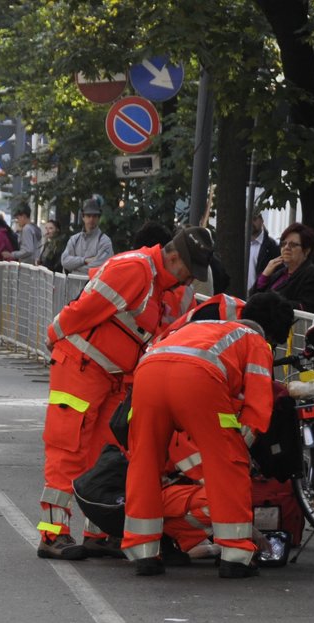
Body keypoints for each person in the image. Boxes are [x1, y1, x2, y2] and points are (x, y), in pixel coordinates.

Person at [35, 226, 216, 560]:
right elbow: (84, 309)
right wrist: (53, 334)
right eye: (188, 273)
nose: (189, 281)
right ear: (173, 257)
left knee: (106, 455)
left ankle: (98, 532)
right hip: (80, 365)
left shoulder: (165, 286)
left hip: (114, 376)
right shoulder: (134, 269)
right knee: (69, 447)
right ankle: (52, 534)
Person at [122, 293, 294, 578]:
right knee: (228, 465)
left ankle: (144, 553)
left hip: (148, 374)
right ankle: (237, 556)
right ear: (273, 336)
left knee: (144, 463)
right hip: (197, 379)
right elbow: (257, 406)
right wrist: (241, 447)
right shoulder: (255, 342)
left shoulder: (201, 326)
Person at [252, 222, 314, 312]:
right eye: (283, 244)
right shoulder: (280, 273)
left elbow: (307, 308)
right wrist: (265, 275)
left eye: (293, 245)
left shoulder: (313, 275)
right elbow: (253, 298)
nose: (286, 248)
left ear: (306, 251)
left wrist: (270, 301)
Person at [61, 199, 113, 274]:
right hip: (74, 285)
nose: (91, 219)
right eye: (88, 215)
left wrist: (74, 267)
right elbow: (64, 261)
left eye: (95, 216)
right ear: (83, 217)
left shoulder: (105, 241)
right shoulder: (74, 239)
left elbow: (100, 267)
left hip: (94, 285)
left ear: (98, 218)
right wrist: (85, 260)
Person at [247, 213, 278, 294]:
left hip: (259, 296)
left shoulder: (272, 246)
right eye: (246, 219)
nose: (250, 223)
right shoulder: (239, 244)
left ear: (262, 220)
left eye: (254, 219)